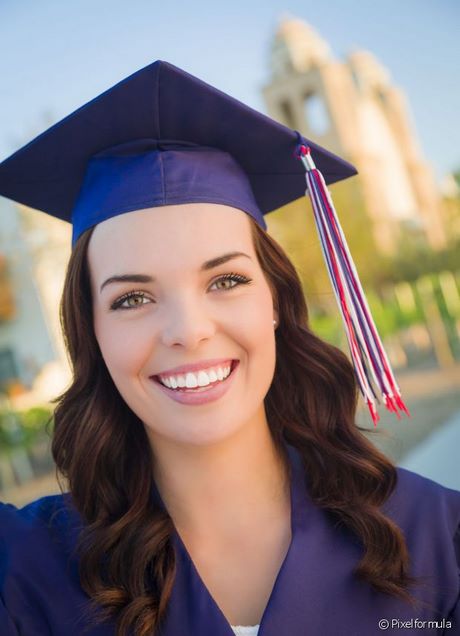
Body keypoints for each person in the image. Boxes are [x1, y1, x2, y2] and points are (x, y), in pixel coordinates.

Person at [0, 60, 458, 636]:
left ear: (275, 302)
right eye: (132, 298)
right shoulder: (23, 573)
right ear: (90, 333)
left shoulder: (438, 539)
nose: (188, 331)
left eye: (226, 281)